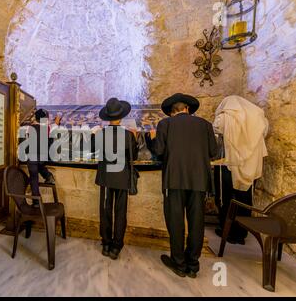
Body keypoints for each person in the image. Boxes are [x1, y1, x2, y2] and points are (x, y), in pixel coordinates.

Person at [147, 93, 218, 278]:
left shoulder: (166, 124)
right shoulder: (205, 125)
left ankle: (178, 263)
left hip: (174, 180)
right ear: (187, 109)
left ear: (172, 112)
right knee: (197, 222)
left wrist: (151, 139)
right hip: (199, 181)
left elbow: (159, 152)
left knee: (176, 222)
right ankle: (193, 265)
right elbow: (214, 152)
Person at [213, 95, 268, 245]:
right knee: (245, 199)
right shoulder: (259, 118)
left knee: (226, 198)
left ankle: (227, 231)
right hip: (250, 165)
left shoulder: (223, 119)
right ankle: (241, 232)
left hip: (228, 164)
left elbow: (216, 139)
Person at [95, 98, 138, 260]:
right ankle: (116, 246)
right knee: (120, 212)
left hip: (106, 177)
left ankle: (106, 243)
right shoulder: (128, 135)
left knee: (105, 210)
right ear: (121, 117)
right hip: (121, 177)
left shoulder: (101, 134)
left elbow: (94, 150)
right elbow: (134, 155)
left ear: (107, 117)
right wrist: (135, 137)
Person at [26, 109, 58, 207]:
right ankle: (48, 176)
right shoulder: (47, 128)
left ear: (35, 117)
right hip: (43, 156)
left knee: (34, 179)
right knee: (39, 165)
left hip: (33, 155)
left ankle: (36, 202)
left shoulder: (30, 128)